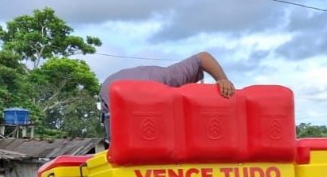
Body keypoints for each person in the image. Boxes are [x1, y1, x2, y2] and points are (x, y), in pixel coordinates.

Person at [99, 52, 235, 139]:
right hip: (115, 91)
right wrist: (222, 79)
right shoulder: (170, 77)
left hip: (110, 89)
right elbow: (203, 57)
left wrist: (222, 80)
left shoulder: (168, 78)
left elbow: (203, 58)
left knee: (125, 139)